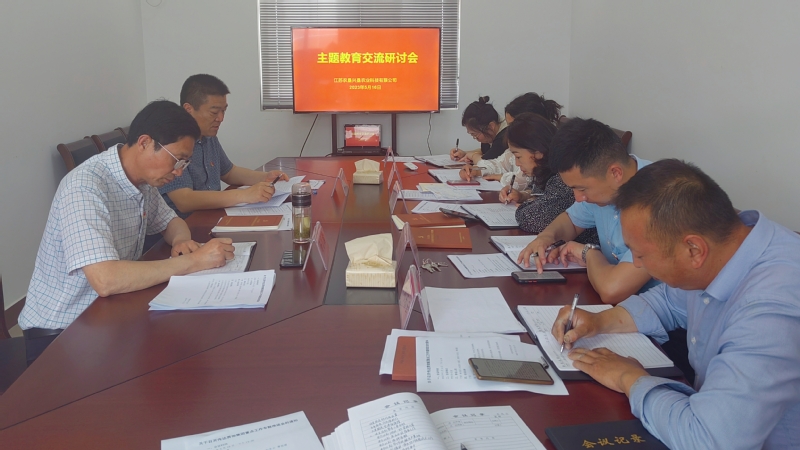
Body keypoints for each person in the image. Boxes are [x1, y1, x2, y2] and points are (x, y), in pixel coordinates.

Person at [554, 159, 800, 449]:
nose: (638, 264)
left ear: (693, 250)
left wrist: (628, 377)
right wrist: (599, 321)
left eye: (641, 255)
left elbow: (709, 440)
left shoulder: (770, 310)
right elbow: (668, 302)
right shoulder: (727, 246)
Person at [19, 100, 235, 364]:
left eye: (185, 163)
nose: (179, 171)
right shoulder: (85, 187)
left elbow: (171, 221)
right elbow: (106, 279)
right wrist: (194, 261)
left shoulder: (142, 180)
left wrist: (182, 240)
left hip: (107, 314)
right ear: (145, 142)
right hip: (61, 334)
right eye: (177, 159)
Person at [518, 118, 657, 304]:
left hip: (658, 316)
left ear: (615, 173)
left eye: (582, 189)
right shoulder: (605, 186)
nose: (578, 198)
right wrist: (545, 238)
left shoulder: (658, 200)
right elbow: (571, 220)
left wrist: (588, 253)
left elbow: (612, 290)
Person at [159, 74, 288, 218]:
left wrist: (265, 177)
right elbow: (184, 200)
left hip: (213, 215)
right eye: (214, 112)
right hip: (188, 222)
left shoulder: (208, 136)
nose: (221, 118)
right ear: (188, 109)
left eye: (223, 111)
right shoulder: (172, 142)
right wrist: (244, 195)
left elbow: (229, 172)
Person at [496, 113, 598, 244]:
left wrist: (530, 202)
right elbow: (539, 193)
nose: (517, 163)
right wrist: (524, 196)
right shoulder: (546, 173)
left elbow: (529, 218)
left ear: (538, 152)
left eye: (518, 156)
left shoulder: (563, 178)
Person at [461, 92, 562, 192]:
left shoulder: (544, 156)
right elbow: (499, 164)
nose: (508, 131)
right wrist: (476, 170)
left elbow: (522, 181)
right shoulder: (519, 147)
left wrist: (501, 177)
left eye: (512, 126)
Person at [448, 96, 507, 163]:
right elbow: (486, 151)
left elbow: (487, 162)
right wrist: (464, 153)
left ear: (491, 126)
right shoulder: (492, 132)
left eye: (475, 134)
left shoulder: (504, 137)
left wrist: (472, 156)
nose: (476, 139)